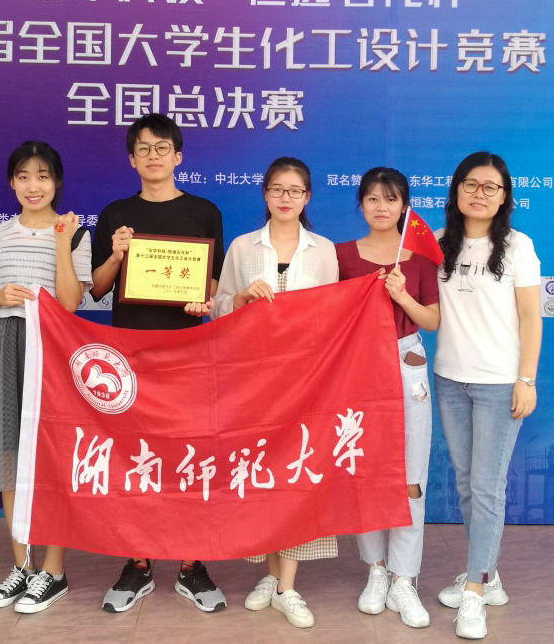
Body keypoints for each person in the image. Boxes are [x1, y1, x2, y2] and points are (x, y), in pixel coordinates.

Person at [91, 113, 226, 613]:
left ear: (178, 156)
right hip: (129, 356)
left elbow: (212, 283)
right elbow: (97, 288)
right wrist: (116, 254)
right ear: (131, 159)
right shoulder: (115, 214)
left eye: (162, 147)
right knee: (134, 457)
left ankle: (192, 562)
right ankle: (138, 562)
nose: (153, 156)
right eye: (143, 149)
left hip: (189, 353)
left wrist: (204, 300)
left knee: (188, 455)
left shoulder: (204, 211)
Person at [211, 156, 338, 629]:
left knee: (297, 473)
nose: (286, 198)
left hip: (305, 380)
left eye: (295, 190)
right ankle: (268, 575)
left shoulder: (323, 251)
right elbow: (219, 307)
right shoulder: (243, 247)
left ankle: (287, 586)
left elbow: (334, 315)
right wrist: (241, 299)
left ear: (308, 197)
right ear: (264, 193)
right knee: (261, 472)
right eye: (277, 189)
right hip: (253, 379)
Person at [0, 141, 92, 614]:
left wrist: (62, 242)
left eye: (42, 176)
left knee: (54, 457)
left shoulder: (76, 235)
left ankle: (53, 571)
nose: (33, 186)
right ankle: (21, 565)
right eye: (23, 177)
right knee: (9, 454)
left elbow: (70, 302)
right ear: (12, 183)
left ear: (56, 182)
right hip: (3, 345)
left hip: (53, 349)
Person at [432, 152, 542, 640]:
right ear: (456, 190)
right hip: (448, 379)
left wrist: (526, 379)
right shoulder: (438, 243)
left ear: (504, 197)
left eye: (491, 187)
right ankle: (488, 575)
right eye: (471, 184)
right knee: (466, 484)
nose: (480, 193)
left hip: (499, 383)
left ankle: (475, 592)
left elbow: (531, 318)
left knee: (487, 486)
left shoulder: (518, 246)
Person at [334, 167, 439, 629]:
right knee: (366, 470)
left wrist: (402, 297)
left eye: (391, 199)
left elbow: (431, 320)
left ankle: (404, 578)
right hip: (357, 366)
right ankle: (376, 570)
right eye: (373, 198)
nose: (381, 207)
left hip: (406, 362)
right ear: (361, 204)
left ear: (404, 206)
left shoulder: (419, 257)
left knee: (411, 475)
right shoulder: (340, 255)